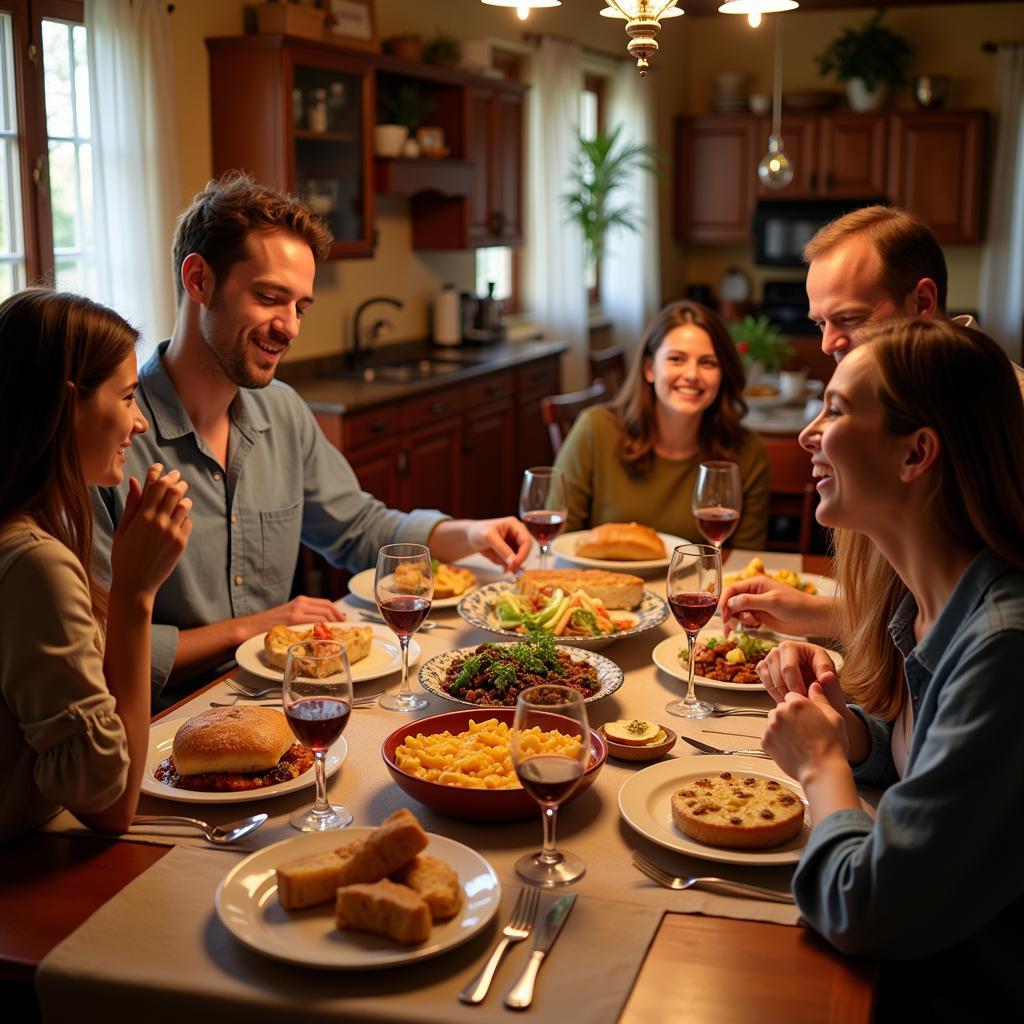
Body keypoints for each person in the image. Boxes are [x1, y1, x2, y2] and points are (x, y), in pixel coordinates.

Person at [92, 173, 532, 707]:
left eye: (300, 307)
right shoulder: (111, 441)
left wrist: (471, 532)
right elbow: (99, 642)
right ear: (198, 279)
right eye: (269, 298)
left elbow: (359, 528)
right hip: (163, 719)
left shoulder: (282, 411)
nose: (290, 328)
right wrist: (251, 629)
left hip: (288, 702)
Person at [755, 319, 1024, 1018]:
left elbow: (867, 909)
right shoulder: (930, 601)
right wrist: (853, 734)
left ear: (917, 455)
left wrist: (820, 768)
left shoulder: (1003, 645)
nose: (809, 435)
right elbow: (929, 760)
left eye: (837, 411)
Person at [721, 204, 1024, 635]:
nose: (827, 344)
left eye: (849, 319)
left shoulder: (1007, 415)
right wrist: (811, 611)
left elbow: (978, 624)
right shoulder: (885, 397)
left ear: (922, 301)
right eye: (821, 322)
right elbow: (920, 614)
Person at [0, 290, 191, 842]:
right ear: (65, 406)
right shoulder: (35, 564)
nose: (139, 424)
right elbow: (109, 805)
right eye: (128, 397)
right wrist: (134, 594)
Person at [553, 300, 770, 547]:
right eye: (676, 359)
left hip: (698, 586)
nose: (691, 375)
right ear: (649, 368)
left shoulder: (748, 451)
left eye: (708, 363)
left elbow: (746, 562)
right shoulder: (595, 429)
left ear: (723, 374)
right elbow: (559, 542)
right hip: (601, 583)